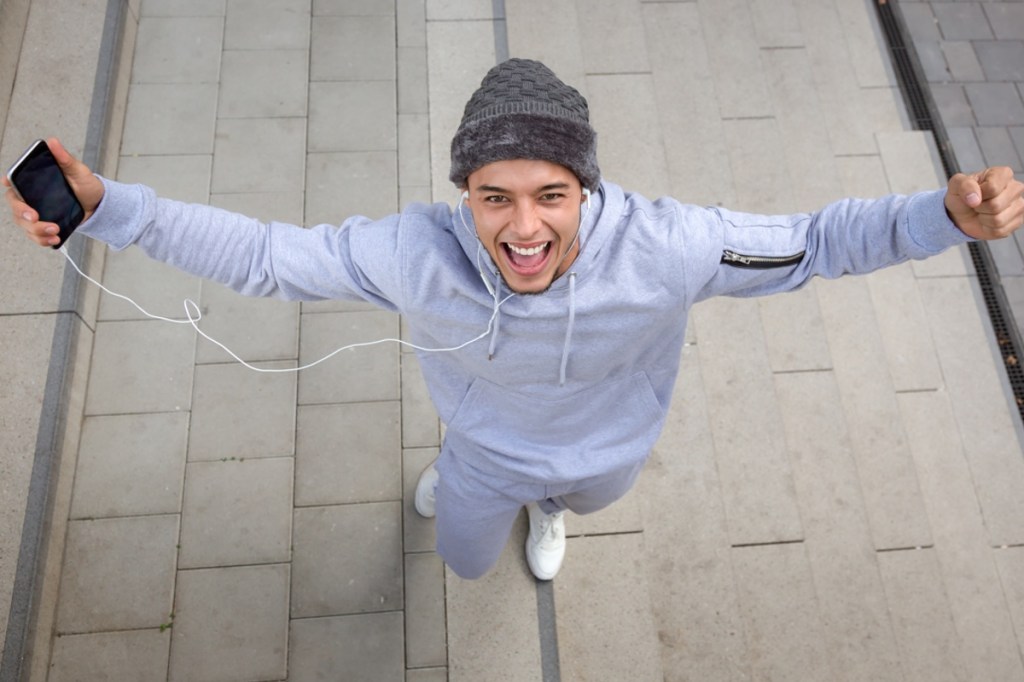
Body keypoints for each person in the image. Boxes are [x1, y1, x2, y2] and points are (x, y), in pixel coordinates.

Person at [6, 59, 1024, 581]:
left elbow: (815, 242)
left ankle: (553, 510)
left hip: (606, 452)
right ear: (465, 193)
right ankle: (475, 483)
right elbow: (271, 257)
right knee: (457, 555)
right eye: (495, 195)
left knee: (581, 498)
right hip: (483, 448)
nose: (524, 226)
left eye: (550, 193)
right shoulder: (416, 253)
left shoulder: (668, 246)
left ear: (586, 187)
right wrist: (112, 207)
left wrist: (940, 216)